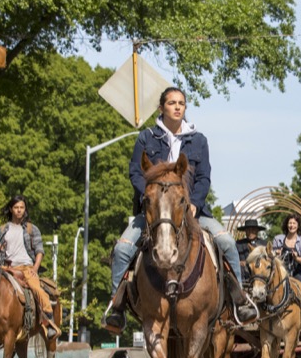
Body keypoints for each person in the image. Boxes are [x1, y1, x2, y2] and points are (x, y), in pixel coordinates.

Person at [105, 87, 257, 333]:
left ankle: (240, 300)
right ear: (161, 108)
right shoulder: (146, 138)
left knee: (227, 242)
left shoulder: (198, 140)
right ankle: (116, 308)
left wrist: (195, 202)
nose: (177, 107)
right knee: (123, 249)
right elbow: (135, 171)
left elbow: (204, 177)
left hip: (193, 211)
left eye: (181, 104)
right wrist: (150, 197)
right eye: (172, 103)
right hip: (154, 213)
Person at [0, 195, 60, 340]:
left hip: (26, 268)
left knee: (37, 289)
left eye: (21, 207)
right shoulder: (2, 229)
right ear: (10, 209)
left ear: (25, 210)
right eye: (16, 207)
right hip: (5, 268)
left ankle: (49, 322)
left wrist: (35, 268)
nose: (19, 210)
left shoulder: (31, 229)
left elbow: (40, 251)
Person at [271, 213, 301, 284]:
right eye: (290, 223)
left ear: (298, 226)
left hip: (297, 272)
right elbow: (270, 255)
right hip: (279, 271)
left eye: (294, 223)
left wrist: (296, 258)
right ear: (286, 225)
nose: (292, 226)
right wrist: (276, 254)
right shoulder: (278, 239)